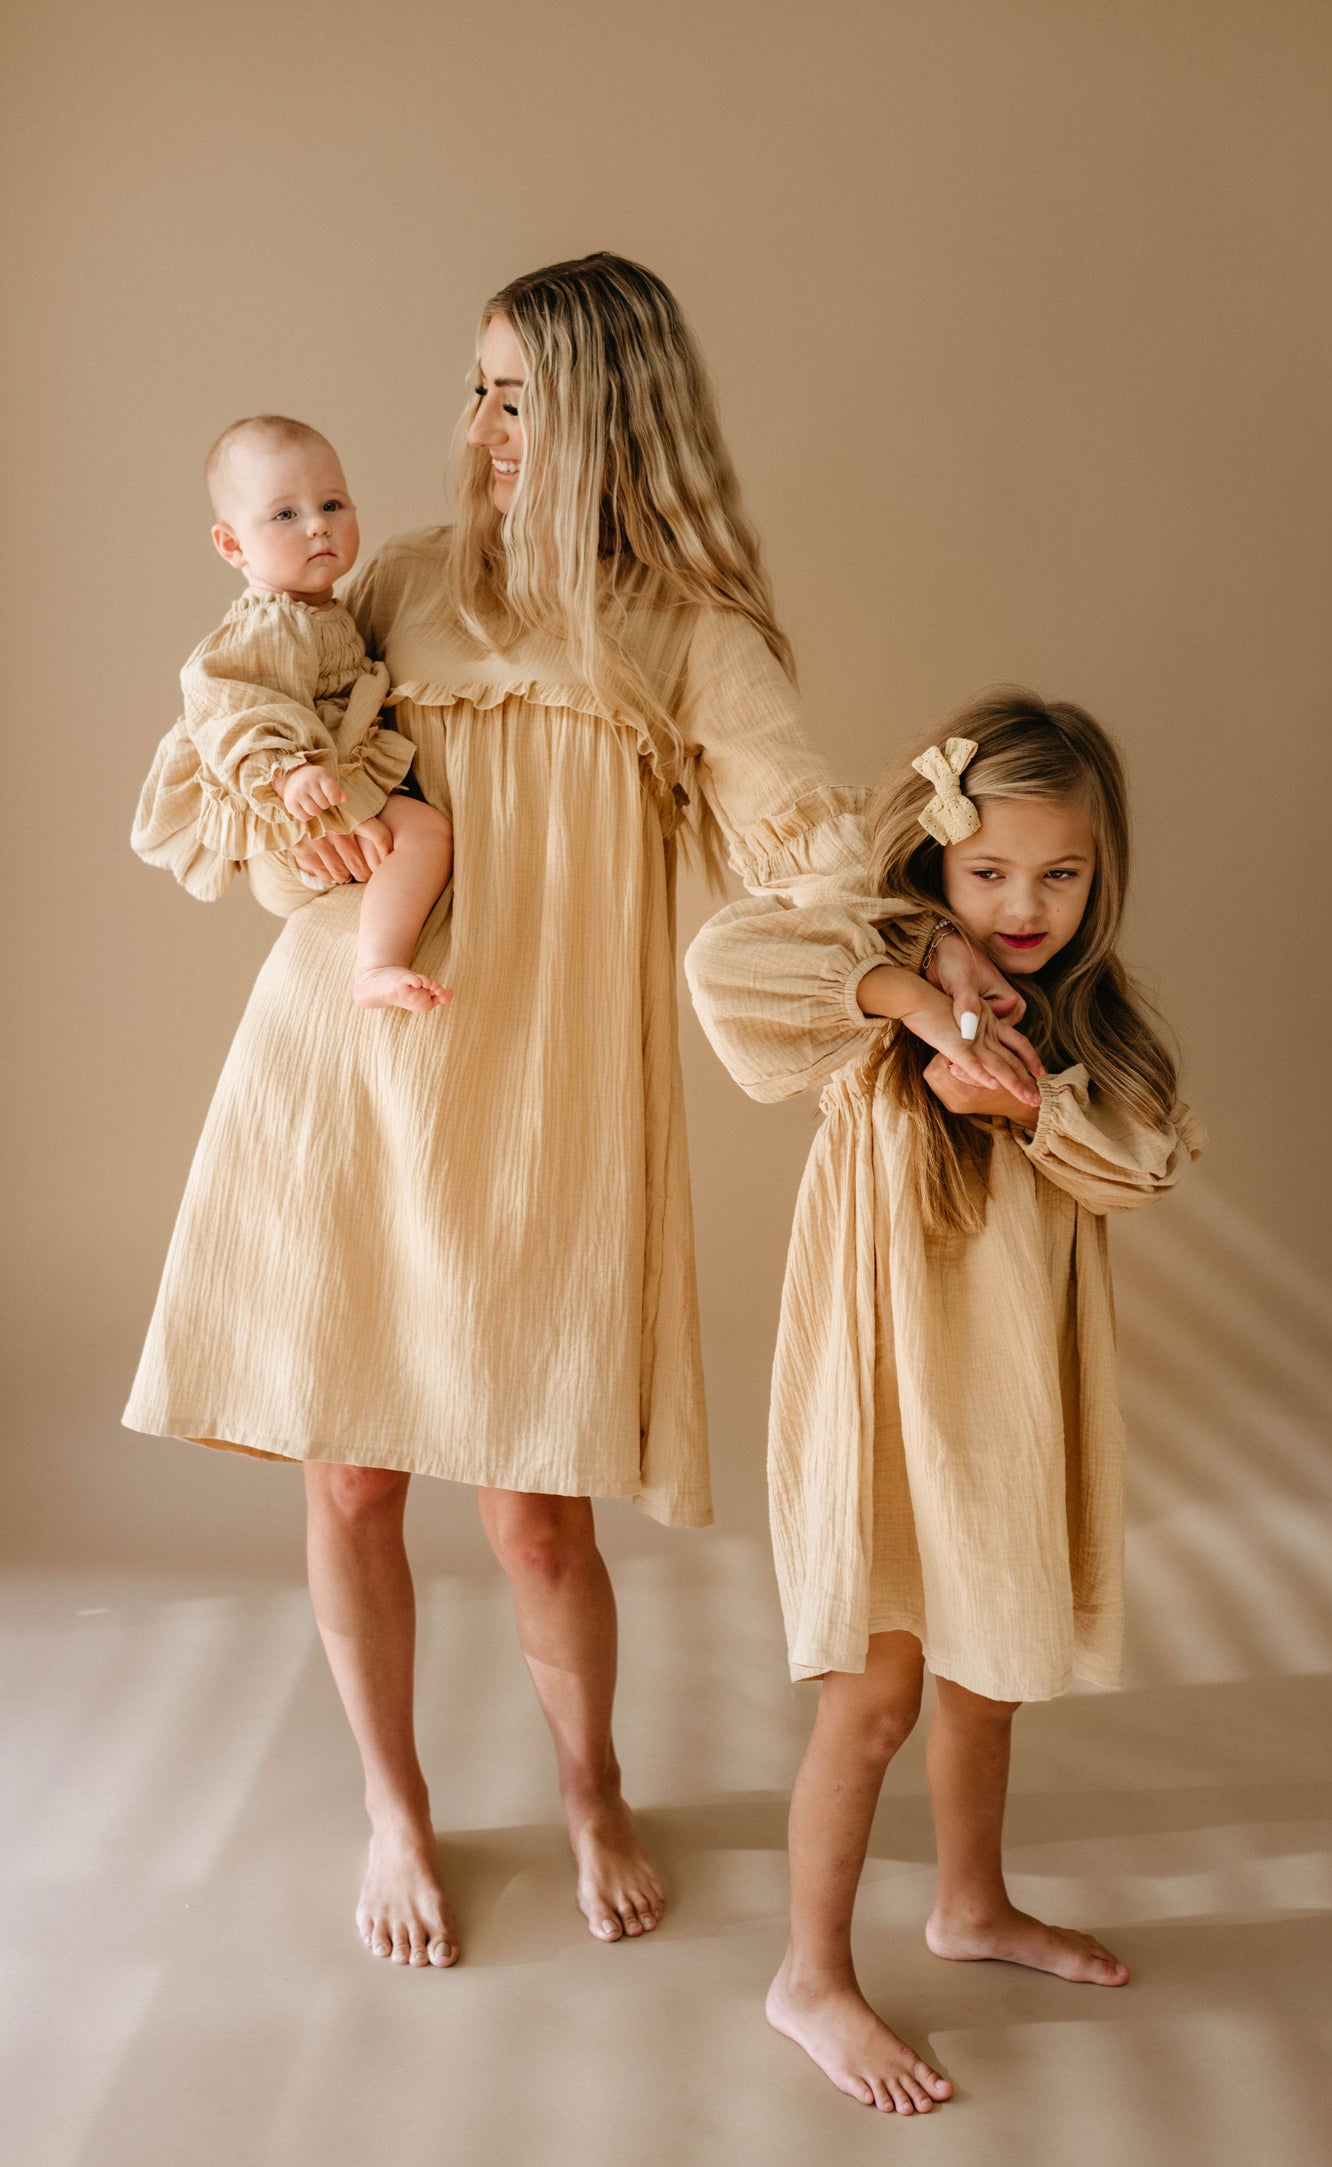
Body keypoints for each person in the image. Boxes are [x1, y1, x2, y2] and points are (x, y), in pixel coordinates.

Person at [123, 254, 1043, 1967]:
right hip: (348, 1064)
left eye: (521, 398)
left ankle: (590, 1785)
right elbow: (241, 722)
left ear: (607, 417)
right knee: (348, 1489)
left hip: (546, 1096)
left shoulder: (688, 636)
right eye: (475, 389)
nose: (482, 429)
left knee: (540, 1511)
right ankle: (396, 1802)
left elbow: (800, 844)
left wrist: (924, 968)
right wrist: (299, 806)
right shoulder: (388, 579)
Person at [686, 689, 1204, 2112]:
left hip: (1004, 1411)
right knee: (874, 1696)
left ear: (1102, 874)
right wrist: (919, 991)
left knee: (988, 1678)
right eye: (988, 870)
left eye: (1059, 872)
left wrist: (1031, 1105)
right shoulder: (870, 989)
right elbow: (728, 961)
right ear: (934, 861)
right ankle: (810, 1972)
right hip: (883, 1400)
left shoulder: (1089, 1029)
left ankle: (969, 1903)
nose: (1023, 903)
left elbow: (1149, 1159)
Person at [131, 415, 453, 1012]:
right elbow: (228, 708)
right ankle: (377, 967)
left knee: (409, 840)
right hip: (290, 816)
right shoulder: (268, 624)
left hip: (322, 802)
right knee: (427, 834)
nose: (316, 526)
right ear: (232, 545)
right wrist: (285, 772)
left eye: (333, 503)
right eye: (285, 514)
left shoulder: (326, 611)